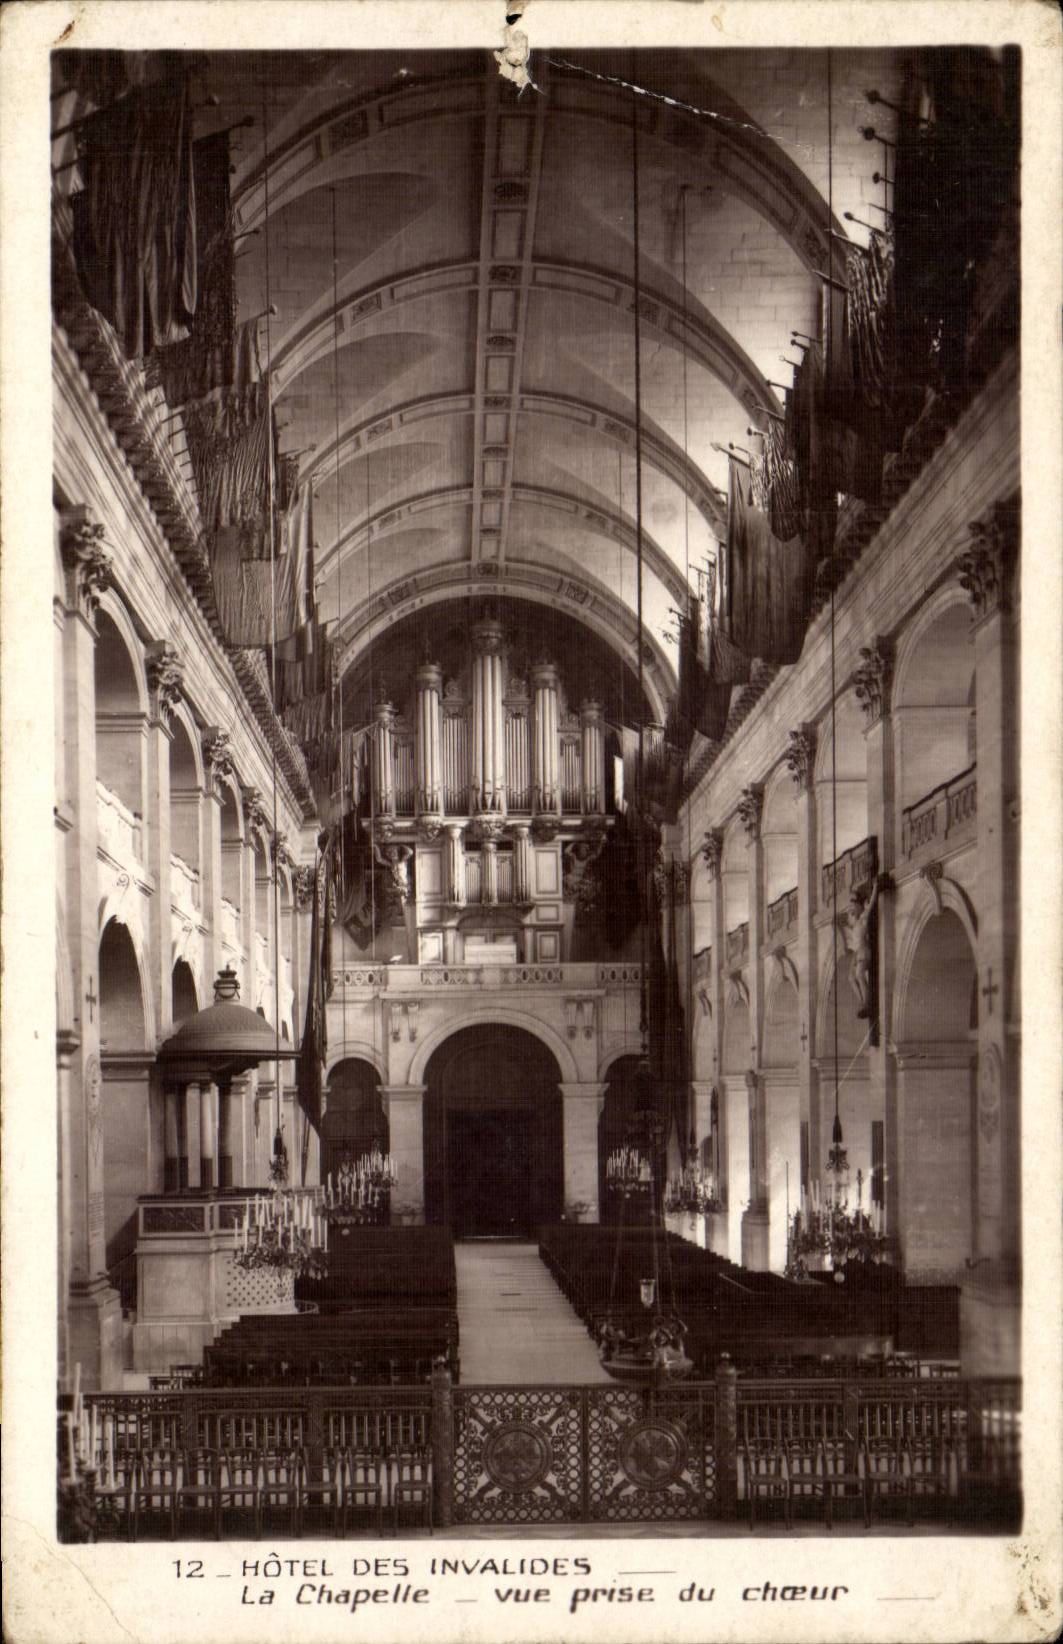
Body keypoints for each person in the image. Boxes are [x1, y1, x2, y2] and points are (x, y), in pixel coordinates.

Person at [838, 878, 879, 1018]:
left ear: (860, 905)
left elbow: (871, 904)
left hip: (864, 951)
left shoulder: (863, 918)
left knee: (860, 975)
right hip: (857, 953)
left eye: (853, 906)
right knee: (851, 977)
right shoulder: (855, 923)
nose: (851, 910)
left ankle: (867, 1003)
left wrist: (875, 888)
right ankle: (862, 1001)